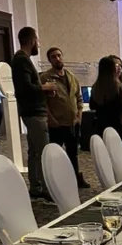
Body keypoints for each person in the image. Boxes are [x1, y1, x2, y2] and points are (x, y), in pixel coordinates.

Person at [11, 26, 56, 200]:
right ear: (32, 41)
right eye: (37, 40)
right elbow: (25, 88)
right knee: (42, 152)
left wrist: (43, 90)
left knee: (34, 151)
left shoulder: (21, 59)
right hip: (34, 112)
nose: (38, 43)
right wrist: (45, 87)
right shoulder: (21, 60)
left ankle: (36, 186)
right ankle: (45, 189)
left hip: (31, 111)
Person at [39, 47, 89, 189]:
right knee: (55, 154)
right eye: (54, 57)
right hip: (56, 122)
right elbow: (43, 102)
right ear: (50, 60)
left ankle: (75, 178)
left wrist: (79, 113)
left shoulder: (71, 77)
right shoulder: (45, 78)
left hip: (72, 122)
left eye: (59, 55)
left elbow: (78, 98)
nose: (58, 59)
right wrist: (50, 118)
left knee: (73, 153)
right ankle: (57, 181)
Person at [90, 56, 122, 148]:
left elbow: (92, 105)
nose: (119, 69)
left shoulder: (96, 86)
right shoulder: (117, 86)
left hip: (100, 125)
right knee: (118, 154)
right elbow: (121, 107)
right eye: (116, 66)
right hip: (116, 125)